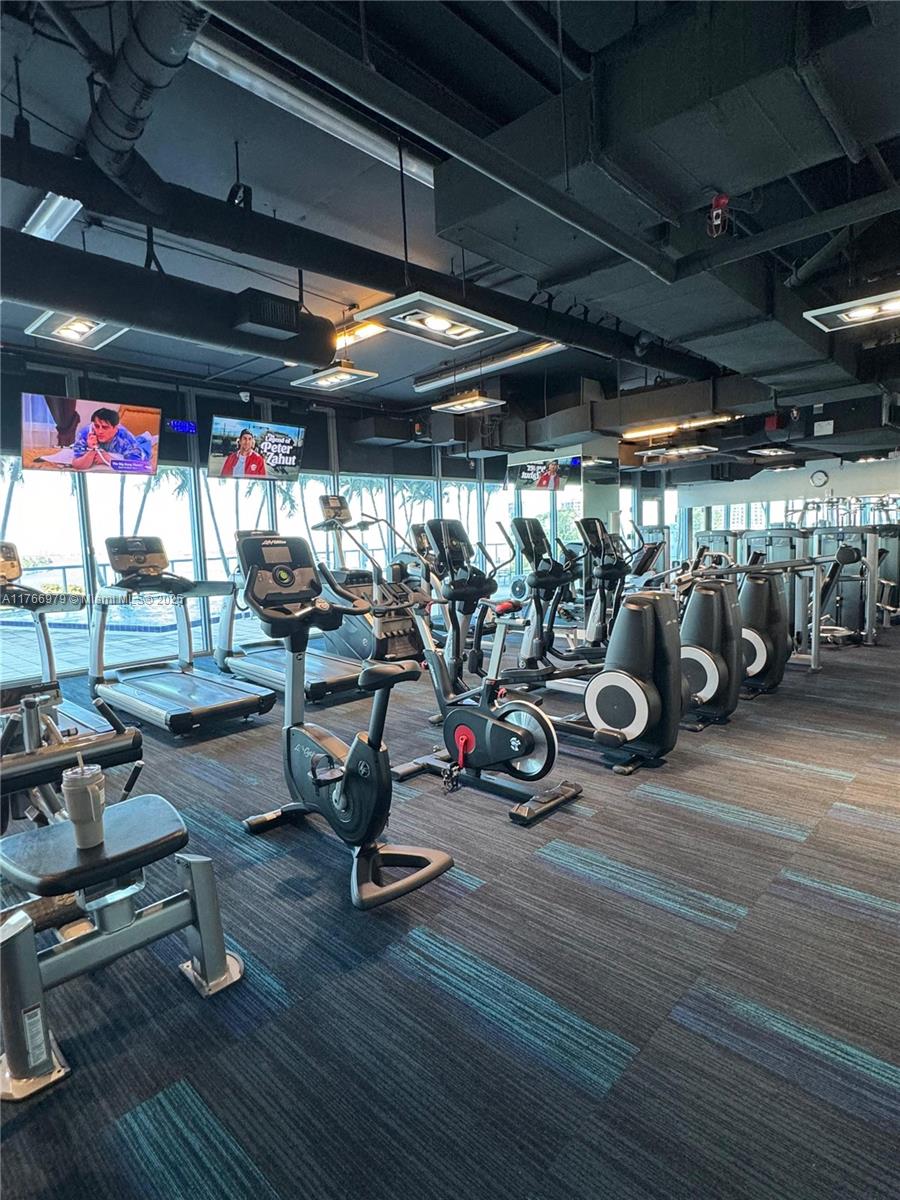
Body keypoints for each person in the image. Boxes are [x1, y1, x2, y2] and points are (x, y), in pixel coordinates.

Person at [71, 408, 151, 470]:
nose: (100, 431)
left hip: (137, 444)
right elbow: (76, 464)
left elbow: (141, 466)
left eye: (105, 427)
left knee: (143, 446)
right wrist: (92, 450)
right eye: (97, 426)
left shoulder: (125, 437)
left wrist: (108, 459)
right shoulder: (86, 433)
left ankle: (146, 437)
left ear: (115, 428)